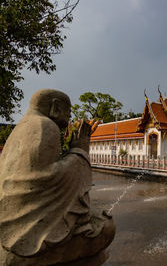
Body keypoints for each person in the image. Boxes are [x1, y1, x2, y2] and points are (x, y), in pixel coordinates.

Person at [0, 89, 115, 265]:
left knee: (96, 217)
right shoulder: (45, 126)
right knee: (106, 226)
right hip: (28, 240)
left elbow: (41, 180)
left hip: (13, 223)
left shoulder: (21, 128)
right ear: (55, 107)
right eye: (68, 112)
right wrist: (80, 151)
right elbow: (49, 178)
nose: (70, 117)